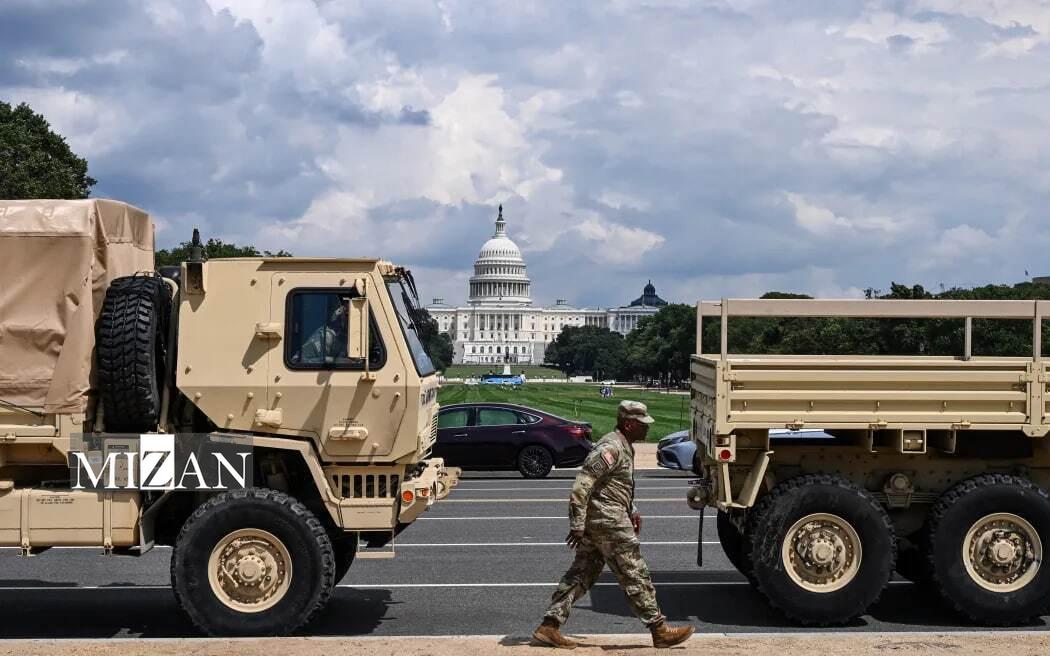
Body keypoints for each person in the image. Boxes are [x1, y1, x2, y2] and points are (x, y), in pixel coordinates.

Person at [532, 400, 695, 649]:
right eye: (642, 424)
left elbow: (617, 485)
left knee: (582, 572)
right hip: (608, 522)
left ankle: (549, 626)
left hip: (607, 517)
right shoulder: (610, 448)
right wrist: (577, 523)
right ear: (629, 424)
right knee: (634, 572)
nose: (647, 428)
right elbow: (582, 485)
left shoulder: (623, 445)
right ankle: (659, 629)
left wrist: (632, 509)